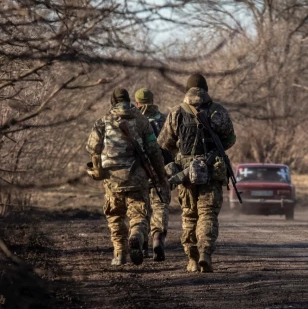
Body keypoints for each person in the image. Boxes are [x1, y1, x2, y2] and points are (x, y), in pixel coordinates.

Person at [158, 74, 236, 273]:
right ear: (206, 89)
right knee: (208, 214)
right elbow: (229, 140)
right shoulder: (218, 111)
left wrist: (181, 156)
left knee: (190, 216)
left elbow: (164, 143)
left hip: (185, 174)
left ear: (187, 89)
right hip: (212, 171)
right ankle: (205, 254)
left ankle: (192, 259)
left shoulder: (176, 112)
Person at [86, 88, 169, 266]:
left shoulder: (103, 121)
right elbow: (154, 150)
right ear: (129, 100)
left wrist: (98, 170)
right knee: (139, 214)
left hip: (112, 179)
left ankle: (120, 254)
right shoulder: (141, 120)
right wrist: (160, 175)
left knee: (115, 215)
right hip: (137, 177)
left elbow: (93, 148)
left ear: (112, 102)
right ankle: (137, 236)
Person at [134, 88, 172, 261]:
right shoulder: (165, 119)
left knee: (140, 208)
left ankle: (140, 241)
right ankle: (157, 237)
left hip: (138, 171)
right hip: (160, 169)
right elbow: (172, 146)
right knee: (160, 205)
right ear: (153, 100)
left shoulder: (133, 121)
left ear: (137, 103)